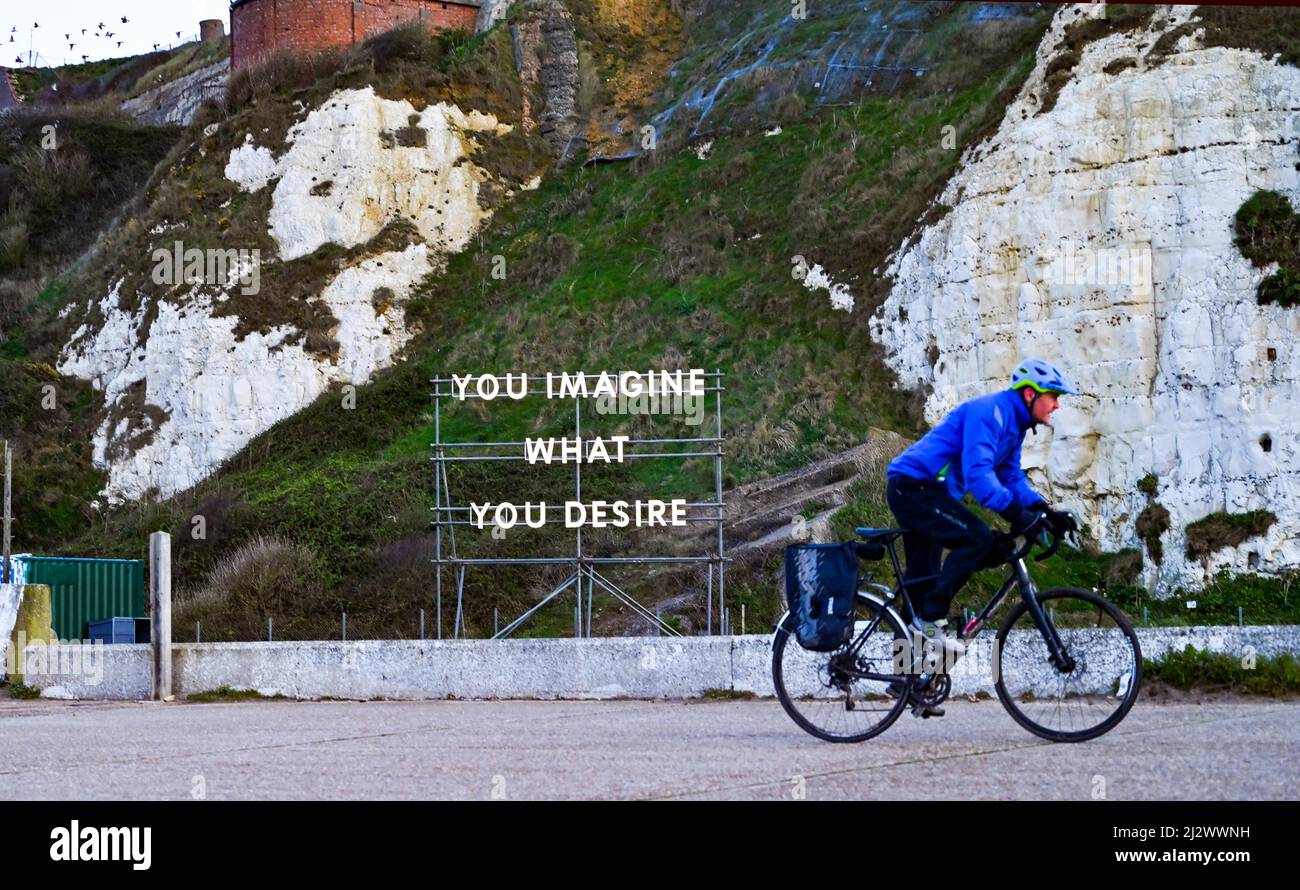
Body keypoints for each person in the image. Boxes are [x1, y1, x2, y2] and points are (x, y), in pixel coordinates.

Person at [884, 359, 1081, 710]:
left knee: (922, 582)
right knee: (977, 539)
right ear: (1029, 394)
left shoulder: (1016, 426)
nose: (1057, 404)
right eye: (1052, 396)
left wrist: (1042, 510)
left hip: (932, 493)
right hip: (915, 487)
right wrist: (1016, 514)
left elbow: (1010, 477)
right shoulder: (991, 412)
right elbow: (979, 476)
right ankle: (932, 619)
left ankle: (908, 682)